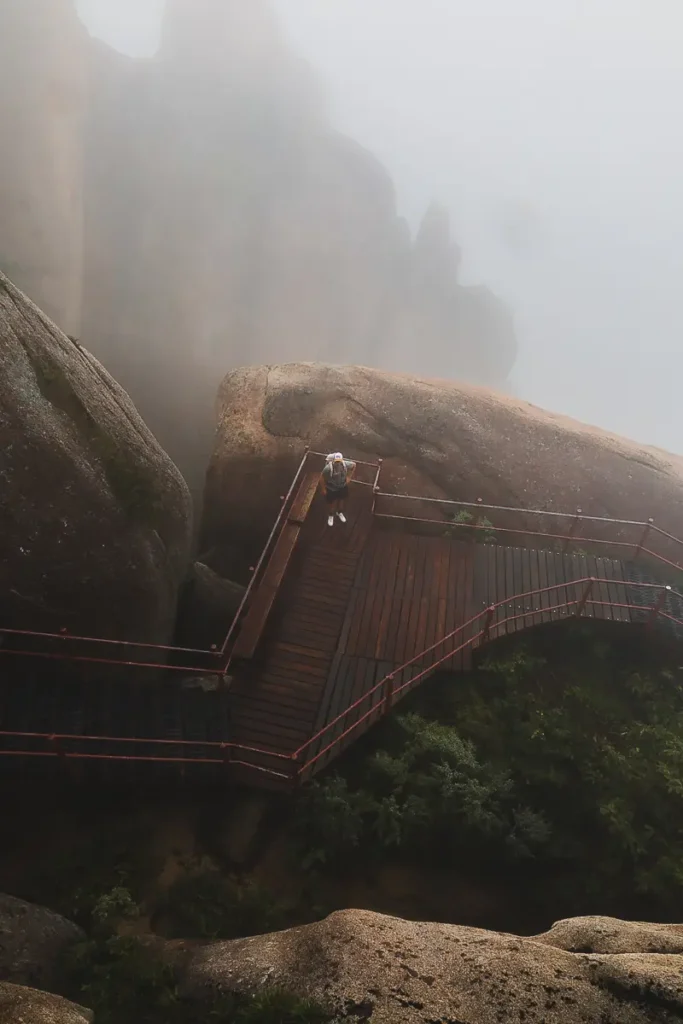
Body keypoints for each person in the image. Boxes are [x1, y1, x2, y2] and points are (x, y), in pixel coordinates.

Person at [320, 452, 356, 526]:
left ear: (342, 460)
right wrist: (323, 489)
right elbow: (322, 478)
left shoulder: (345, 464)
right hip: (331, 488)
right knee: (332, 503)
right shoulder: (328, 468)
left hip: (342, 486)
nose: (338, 463)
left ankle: (340, 512)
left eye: (339, 461)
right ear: (333, 460)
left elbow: (354, 465)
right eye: (336, 461)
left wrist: (349, 476)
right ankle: (331, 515)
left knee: (341, 500)